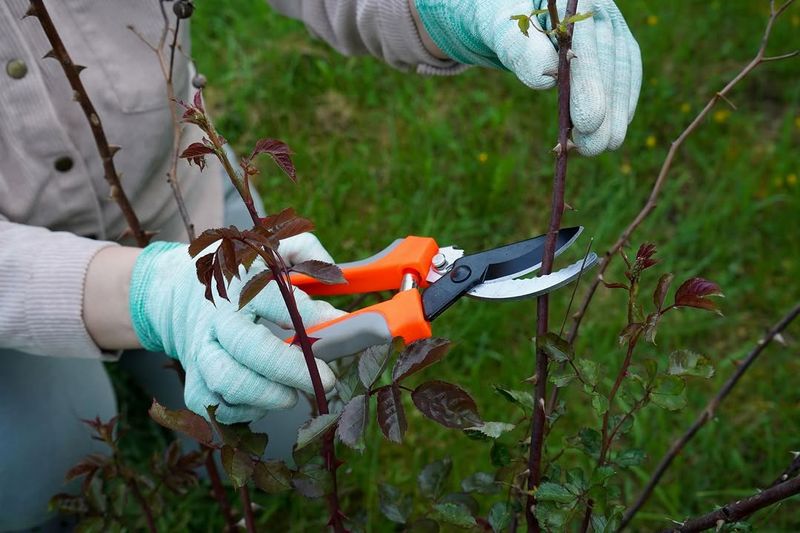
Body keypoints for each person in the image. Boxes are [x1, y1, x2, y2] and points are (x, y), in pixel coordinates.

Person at [0, 0, 641, 529]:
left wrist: (447, 8)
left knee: (281, 427)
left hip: (188, 215)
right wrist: (145, 295)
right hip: (22, 292)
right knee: (43, 482)